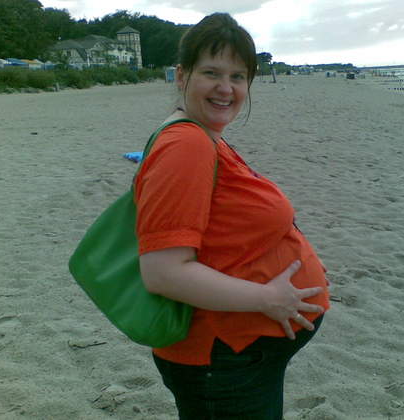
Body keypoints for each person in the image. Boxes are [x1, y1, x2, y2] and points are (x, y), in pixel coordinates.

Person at [134, 12, 330, 420]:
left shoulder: (203, 135)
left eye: (238, 77)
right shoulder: (186, 145)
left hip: (240, 359)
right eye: (212, 73)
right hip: (222, 360)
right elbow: (162, 273)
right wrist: (266, 298)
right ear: (182, 76)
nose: (226, 88)